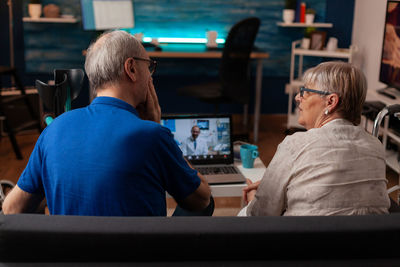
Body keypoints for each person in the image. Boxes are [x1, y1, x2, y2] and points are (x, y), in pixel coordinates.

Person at [3, 30, 212, 216]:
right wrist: (157, 127)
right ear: (131, 68)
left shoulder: (55, 128)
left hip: (70, 258)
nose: (150, 77)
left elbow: (12, 209)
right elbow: (200, 200)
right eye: (149, 67)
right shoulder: (152, 135)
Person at [240, 61, 390, 216]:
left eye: (305, 91)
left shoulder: (295, 144)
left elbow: (261, 214)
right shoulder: (375, 145)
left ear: (330, 102)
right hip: (370, 239)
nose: (298, 97)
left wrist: (253, 199)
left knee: (245, 215)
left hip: (308, 238)